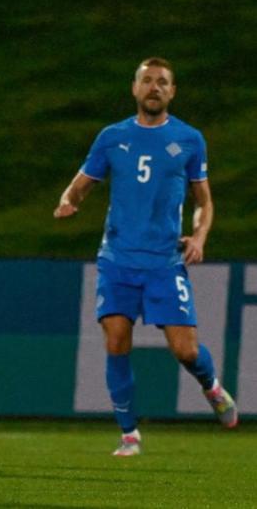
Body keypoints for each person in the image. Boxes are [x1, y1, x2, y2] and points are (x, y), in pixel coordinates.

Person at [54, 57, 238, 456]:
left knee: (186, 350)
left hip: (163, 262)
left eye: (163, 82)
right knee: (116, 340)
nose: (154, 87)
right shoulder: (112, 137)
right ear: (134, 88)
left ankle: (212, 387)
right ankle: (129, 434)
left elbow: (203, 200)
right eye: (147, 80)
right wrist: (69, 200)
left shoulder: (189, 139)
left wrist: (200, 236)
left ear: (172, 92)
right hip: (117, 259)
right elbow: (83, 183)